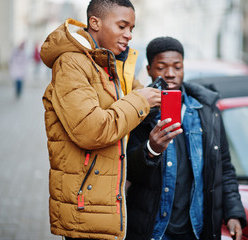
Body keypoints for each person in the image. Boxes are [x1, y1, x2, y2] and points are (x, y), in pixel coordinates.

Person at [40, 0, 160, 239]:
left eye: (132, 29)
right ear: (94, 22)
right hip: (85, 205)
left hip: (104, 202)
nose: (128, 35)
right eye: (122, 26)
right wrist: (140, 100)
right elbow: (91, 130)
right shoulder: (71, 63)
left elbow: (137, 102)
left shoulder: (107, 63)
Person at [126, 36, 247, 240]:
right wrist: (151, 149)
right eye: (161, 67)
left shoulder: (206, 111)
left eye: (177, 67)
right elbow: (127, 170)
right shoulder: (138, 112)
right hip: (154, 230)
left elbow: (224, 166)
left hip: (195, 229)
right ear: (149, 70)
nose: (170, 74)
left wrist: (233, 213)